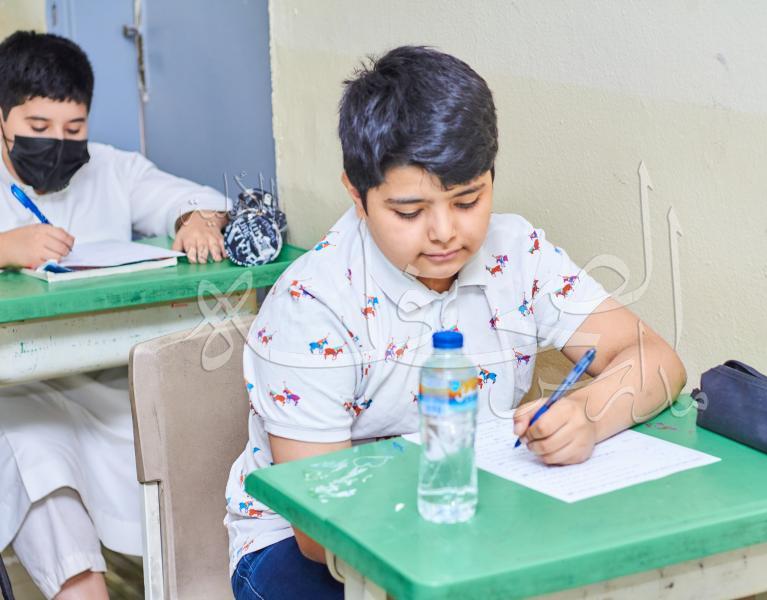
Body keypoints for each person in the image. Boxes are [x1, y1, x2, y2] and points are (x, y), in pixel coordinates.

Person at [226, 46, 686, 599]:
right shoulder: (312, 304)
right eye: (409, 212)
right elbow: (320, 533)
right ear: (357, 194)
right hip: (304, 548)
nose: (445, 233)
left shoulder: (518, 254)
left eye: (467, 200)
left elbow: (657, 361)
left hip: (478, 516)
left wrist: (588, 414)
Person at [0, 31, 229, 599]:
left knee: (177, 440)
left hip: (106, 381)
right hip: (13, 388)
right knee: (33, 449)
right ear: (2, 118)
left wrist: (198, 220)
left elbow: (197, 199)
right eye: (38, 126)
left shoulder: (110, 168)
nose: (58, 143)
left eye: (73, 128)